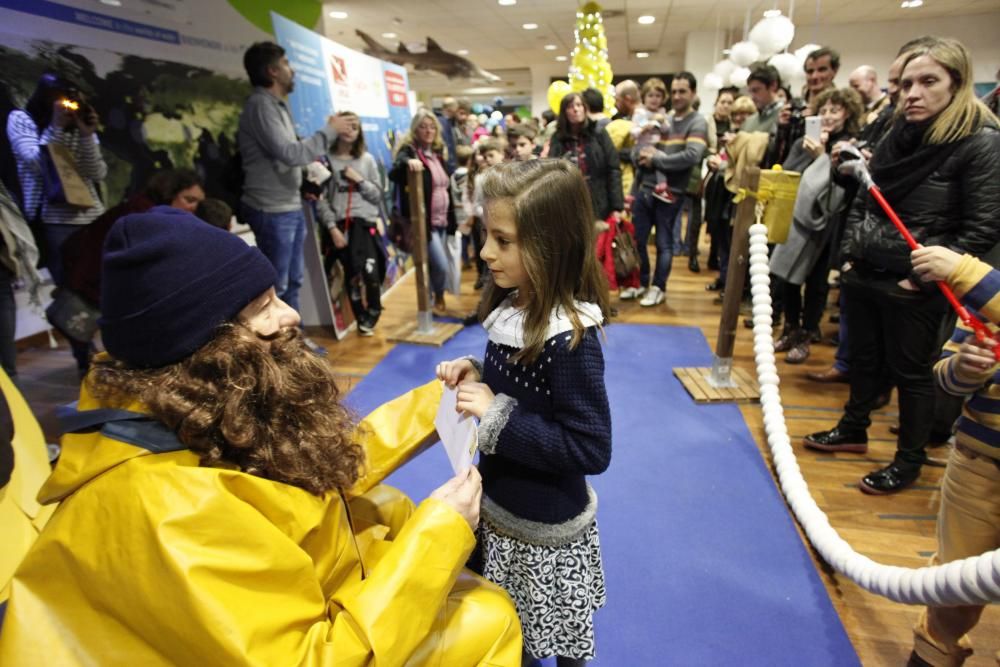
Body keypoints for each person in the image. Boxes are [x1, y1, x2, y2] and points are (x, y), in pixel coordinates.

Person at [0, 207, 523, 665]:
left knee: (397, 522)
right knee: (489, 618)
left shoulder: (185, 407)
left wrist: (433, 406)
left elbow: (306, 463)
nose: (291, 314)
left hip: (299, 598)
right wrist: (441, 531)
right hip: (314, 638)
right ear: (209, 345)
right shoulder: (167, 512)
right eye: (264, 306)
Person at [803, 37, 1000, 495]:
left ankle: (909, 460)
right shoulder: (896, 129)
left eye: (928, 81)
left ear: (957, 83)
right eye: (907, 82)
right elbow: (866, 198)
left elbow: (984, 224)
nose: (912, 92)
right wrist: (851, 252)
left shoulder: (980, 141)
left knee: (912, 374)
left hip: (918, 280)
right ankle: (853, 428)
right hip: (869, 267)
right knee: (865, 361)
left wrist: (924, 277)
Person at [436, 159, 611, 667]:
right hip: (500, 507)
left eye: (503, 240)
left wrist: (496, 414)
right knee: (507, 631)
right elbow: (515, 381)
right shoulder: (513, 305)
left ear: (549, 245)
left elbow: (590, 447)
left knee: (547, 640)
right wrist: (474, 371)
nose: (486, 251)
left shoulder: (570, 339)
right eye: (486, 235)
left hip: (542, 529)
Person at [907, 244, 1000, 667]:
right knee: (955, 580)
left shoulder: (984, 284)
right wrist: (964, 370)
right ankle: (934, 652)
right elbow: (945, 375)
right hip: (977, 463)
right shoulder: (987, 297)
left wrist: (967, 272)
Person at [237, 42, 351, 320]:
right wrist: (329, 131)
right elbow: (290, 154)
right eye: (287, 63)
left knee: (293, 283)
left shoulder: (275, 106)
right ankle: (281, 353)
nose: (293, 69)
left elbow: (289, 155)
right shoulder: (261, 105)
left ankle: (294, 346)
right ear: (273, 71)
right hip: (272, 209)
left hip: (289, 205)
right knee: (278, 287)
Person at [8, 73, 107, 375]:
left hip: (92, 218)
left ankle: (115, 351)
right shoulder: (21, 119)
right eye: (60, 97)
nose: (66, 104)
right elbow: (37, 162)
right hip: (55, 223)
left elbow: (97, 171)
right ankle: (84, 359)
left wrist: (87, 133)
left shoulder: (78, 122)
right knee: (71, 294)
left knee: (106, 288)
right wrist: (55, 127)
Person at [769, 87, 864, 364]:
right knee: (787, 277)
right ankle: (789, 328)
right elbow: (788, 171)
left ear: (848, 113)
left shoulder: (849, 145)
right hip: (796, 218)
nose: (828, 116)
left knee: (816, 282)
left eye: (834, 110)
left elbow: (840, 192)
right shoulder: (805, 141)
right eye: (823, 110)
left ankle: (806, 334)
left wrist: (823, 156)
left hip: (827, 226)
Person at [629, 73, 707, 307]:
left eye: (682, 91)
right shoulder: (664, 118)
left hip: (671, 192)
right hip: (645, 189)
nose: (677, 96)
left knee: (664, 243)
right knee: (638, 240)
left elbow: (692, 156)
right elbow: (639, 148)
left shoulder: (697, 122)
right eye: (674, 91)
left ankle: (658, 286)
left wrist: (656, 160)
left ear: (692, 93)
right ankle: (642, 282)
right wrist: (639, 156)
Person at [316, 111, 385, 337]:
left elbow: (377, 195)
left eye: (355, 126)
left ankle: (372, 314)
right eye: (346, 125)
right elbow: (320, 199)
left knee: (372, 275)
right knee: (352, 276)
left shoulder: (367, 160)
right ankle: (361, 319)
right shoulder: (325, 160)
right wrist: (332, 228)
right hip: (340, 228)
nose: (350, 130)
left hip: (364, 226)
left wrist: (360, 180)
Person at [389, 109, 456, 313]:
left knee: (438, 265)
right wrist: (408, 162)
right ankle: (434, 298)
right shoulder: (409, 151)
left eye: (432, 126)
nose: (428, 130)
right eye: (423, 126)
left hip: (442, 219)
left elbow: (446, 188)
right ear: (415, 130)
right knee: (439, 264)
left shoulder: (437, 155)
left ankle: (436, 297)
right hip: (424, 223)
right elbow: (395, 171)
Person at [547, 92, 623, 224]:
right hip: (568, 202)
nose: (576, 109)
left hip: (599, 201)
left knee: (598, 242)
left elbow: (613, 169)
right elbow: (551, 172)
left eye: (579, 105)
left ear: (585, 108)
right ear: (564, 112)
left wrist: (617, 207)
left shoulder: (599, 133)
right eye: (570, 106)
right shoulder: (558, 138)